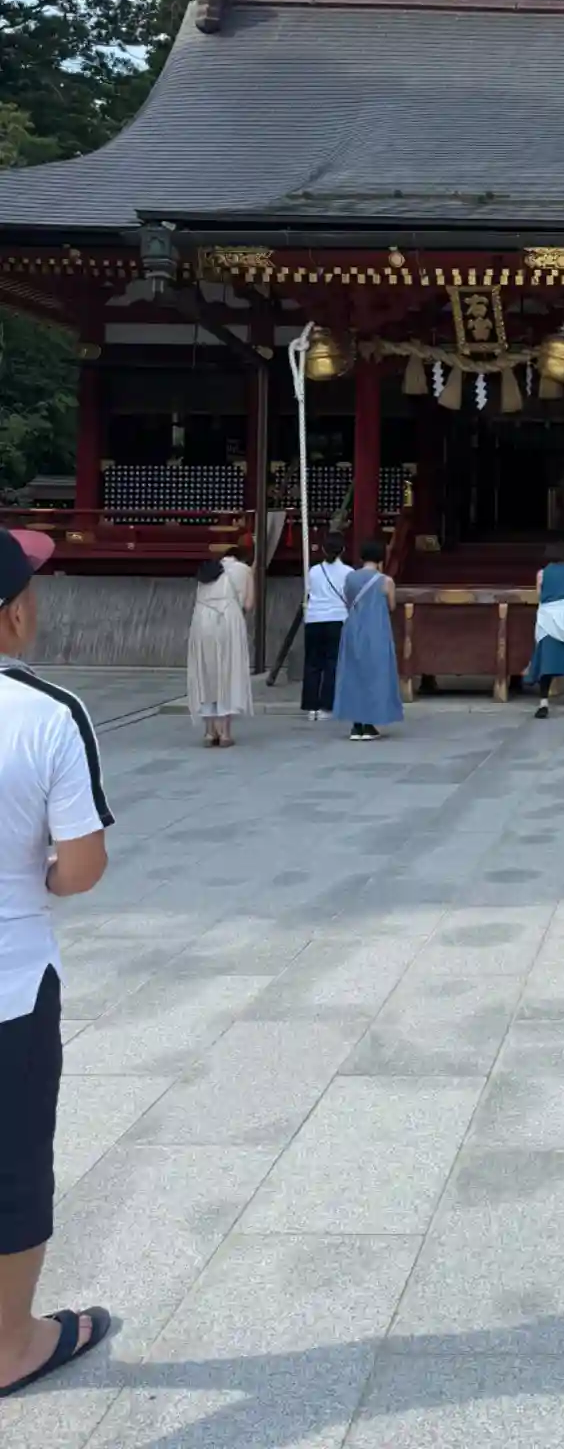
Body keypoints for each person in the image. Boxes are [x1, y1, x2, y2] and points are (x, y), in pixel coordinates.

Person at [0, 528, 112, 1398]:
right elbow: (81, 866)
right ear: (13, 616)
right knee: (12, 1161)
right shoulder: (46, 714)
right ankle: (12, 1346)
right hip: (10, 982)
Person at [334, 539, 402, 742]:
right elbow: (391, 606)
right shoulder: (386, 581)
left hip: (353, 628)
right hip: (376, 630)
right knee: (376, 675)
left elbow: (348, 601)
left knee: (354, 674)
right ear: (381, 558)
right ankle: (370, 723)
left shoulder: (350, 578)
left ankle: (356, 724)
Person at [185, 548, 253, 748]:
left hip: (201, 620)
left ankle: (209, 731)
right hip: (227, 619)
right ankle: (224, 733)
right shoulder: (244, 570)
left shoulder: (208, 569)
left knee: (206, 674)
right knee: (227, 672)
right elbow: (249, 604)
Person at [527, 541, 564, 720]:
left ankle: (543, 702)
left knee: (548, 658)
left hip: (549, 616)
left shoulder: (542, 573)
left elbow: (540, 595)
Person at [301, 532, 353, 722]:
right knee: (332, 663)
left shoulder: (313, 571)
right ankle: (326, 705)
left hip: (314, 618)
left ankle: (311, 707)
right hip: (337, 618)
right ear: (343, 550)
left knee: (312, 664)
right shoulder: (348, 572)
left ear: (323, 549)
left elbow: (308, 592)